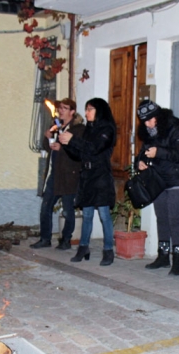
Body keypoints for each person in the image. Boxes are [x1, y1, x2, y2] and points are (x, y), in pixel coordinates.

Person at [136, 100, 179, 276]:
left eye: (150, 119)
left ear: (158, 116)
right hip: (158, 181)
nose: (147, 123)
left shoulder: (175, 127)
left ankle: (178, 260)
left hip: (177, 181)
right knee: (162, 218)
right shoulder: (148, 133)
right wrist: (140, 162)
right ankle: (163, 256)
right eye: (144, 120)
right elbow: (141, 153)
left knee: (174, 218)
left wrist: (158, 152)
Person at [58, 98, 116, 266]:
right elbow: (79, 154)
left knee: (104, 215)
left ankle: (108, 250)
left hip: (101, 177)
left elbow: (94, 148)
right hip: (87, 177)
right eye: (86, 109)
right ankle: (83, 248)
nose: (86, 113)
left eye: (90, 109)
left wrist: (73, 140)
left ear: (99, 110)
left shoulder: (107, 129)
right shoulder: (88, 129)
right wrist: (67, 144)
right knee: (88, 214)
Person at [30, 98, 86, 250]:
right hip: (55, 174)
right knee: (46, 206)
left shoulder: (78, 129)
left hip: (69, 174)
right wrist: (47, 137)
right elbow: (45, 147)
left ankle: (66, 240)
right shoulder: (55, 126)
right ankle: (45, 238)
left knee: (68, 209)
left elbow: (78, 152)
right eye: (60, 107)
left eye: (65, 108)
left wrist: (61, 149)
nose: (61, 110)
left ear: (72, 111)